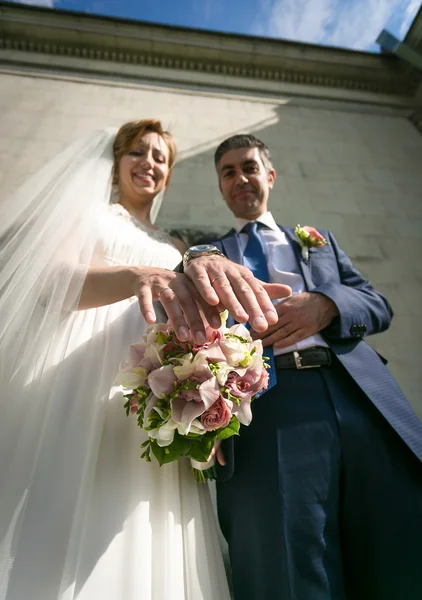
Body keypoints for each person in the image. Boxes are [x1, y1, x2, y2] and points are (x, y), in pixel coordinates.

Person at [0, 121, 290, 600]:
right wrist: (137, 274)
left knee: (144, 517)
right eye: (138, 151)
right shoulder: (91, 216)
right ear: (116, 162)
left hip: (153, 400)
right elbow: (54, 285)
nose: (150, 163)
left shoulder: (177, 247)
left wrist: (210, 390)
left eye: (161, 158)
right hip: (82, 380)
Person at [197, 133, 422, 600]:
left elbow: (377, 304)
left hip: (354, 396)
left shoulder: (318, 244)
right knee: (290, 560)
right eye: (229, 171)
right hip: (267, 408)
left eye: (250, 167)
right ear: (220, 188)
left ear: (270, 176)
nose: (241, 178)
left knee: (395, 541)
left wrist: (326, 303)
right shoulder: (207, 255)